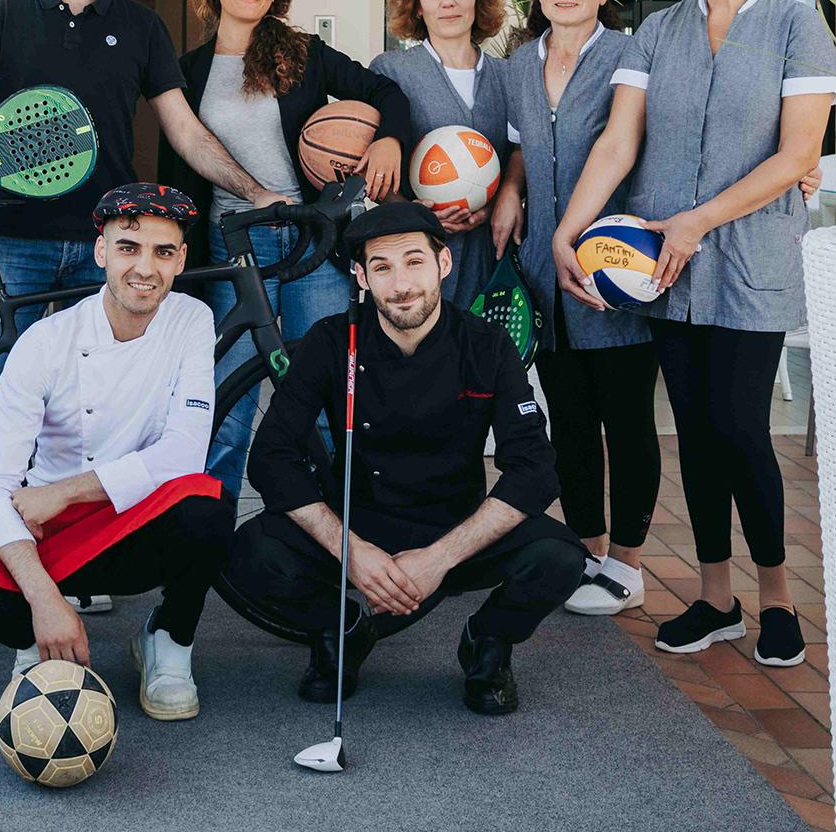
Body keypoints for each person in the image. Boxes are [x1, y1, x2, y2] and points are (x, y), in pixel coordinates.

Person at [0, 0, 286, 555]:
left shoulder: (141, 27)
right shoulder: (4, 14)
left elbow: (185, 131)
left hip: (102, 246)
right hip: (12, 236)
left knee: (94, 409)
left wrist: (256, 191)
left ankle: (76, 546)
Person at [551, 0, 836, 668]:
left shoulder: (795, 24)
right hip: (666, 272)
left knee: (743, 428)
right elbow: (618, 144)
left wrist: (699, 220)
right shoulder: (659, 31)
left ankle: (778, 600)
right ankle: (717, 599)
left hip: (750, 263)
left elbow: (798, 155)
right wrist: (568, 231)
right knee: (697, 433)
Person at [221, 202, 585, 715]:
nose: (401, 284)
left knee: (561, 557)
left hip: (455, 529)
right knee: (250, 553)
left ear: (443, 264)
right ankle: (342, 629)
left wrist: (439, 559)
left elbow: (535, 467)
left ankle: (487, 640)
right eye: (382, 267)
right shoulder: (330, 342)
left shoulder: (487, 345)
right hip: (358, 521)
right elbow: (272, 457)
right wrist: (353, 552)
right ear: (361, 276)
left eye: (414, 261)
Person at [0, 184, 235, 722]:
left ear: (182, 259)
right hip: (52, 532)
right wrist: (44, 598)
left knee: (207, 505)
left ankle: (168, 640)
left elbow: (184, 454)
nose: (145, 268)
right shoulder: (47, 341)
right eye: (129, 248)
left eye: (164, 252)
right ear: (101, 253)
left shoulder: (190, 320)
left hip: (130, 517)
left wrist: (60, 492)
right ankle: (40, 636)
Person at [167, 0, 412, 502]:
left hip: (310, 244)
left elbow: (386, 94)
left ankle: (335, 543)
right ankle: (207, 548)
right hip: (234, 247)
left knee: (327, 400)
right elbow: (177, 159)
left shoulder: (303, 56)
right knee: (226, 408)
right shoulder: (188, 70)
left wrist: (389, 142)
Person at [500, 0, 661, 615]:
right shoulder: (516, 64)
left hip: (614, 267)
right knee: (565, 419)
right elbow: (519, 149)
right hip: (543, 265)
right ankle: (588, 551)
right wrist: (509, 191)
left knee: (625, 418)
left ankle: (627, 562)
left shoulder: (632, 53)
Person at [369, 0, 518, 306]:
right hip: (415, 256)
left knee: (482, 358)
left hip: (491, 254)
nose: (447, 2)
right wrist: (407, 209)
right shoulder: (391, 73)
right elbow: (373, 166)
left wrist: (494, 205)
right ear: (417, 5)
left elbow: (522, 149)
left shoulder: (510, 75)